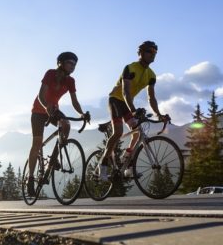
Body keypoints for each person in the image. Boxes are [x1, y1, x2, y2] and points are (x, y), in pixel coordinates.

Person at [99, 40, 170, 180]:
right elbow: (125, 91)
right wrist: (133, 110)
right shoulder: (130, 68)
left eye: (155, 52)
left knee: (137, 132)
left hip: (127, 103)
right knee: (118, 132)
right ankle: (103, 165)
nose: (153, 54)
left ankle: (128, 163)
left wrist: (159, 114)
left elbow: (152, 98)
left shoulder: (151, 75)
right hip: (116, 100)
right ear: (141, 53)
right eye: (149, 51)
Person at [27, 52, 89, 196]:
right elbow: (41, 95)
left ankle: (54, 159)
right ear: (60, 63)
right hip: (38, 110)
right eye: (70, 63)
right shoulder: (50, 74)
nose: (73, 67)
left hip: (54, 110)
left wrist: (82, 114)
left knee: (66, 125)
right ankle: (30, 179)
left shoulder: (71, 81)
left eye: (75, 64)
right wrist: (46, 107)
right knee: (37, 143)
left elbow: (74, 101)